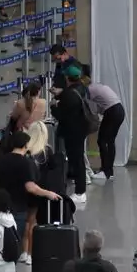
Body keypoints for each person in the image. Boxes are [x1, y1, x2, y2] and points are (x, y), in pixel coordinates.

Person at [0, 129, 63, 262]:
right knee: (13, 242)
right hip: (18, 207)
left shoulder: (0, 161)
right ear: (25, 145)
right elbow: (31, 187)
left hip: (0, 206)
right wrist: (48, 193)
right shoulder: (26, 163)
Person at [52, 65, 93, 202]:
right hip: (80, 130)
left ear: (67, 78)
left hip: (72, 132)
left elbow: (61, 115)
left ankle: (80, 192)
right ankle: (80, 190)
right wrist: (61, 93)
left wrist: (53, 106)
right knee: (78, 159)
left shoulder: (70, 95)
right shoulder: (82, 88)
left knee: (76, 161)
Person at [87, 78, 126, 182]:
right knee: (110, 141)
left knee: (102, 141)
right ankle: (109, 172)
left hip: (112, 112)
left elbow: (86, 105)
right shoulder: (99, 87)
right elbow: (99, 108)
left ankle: (105, 172)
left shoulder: (90, 89)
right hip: (119, 110)